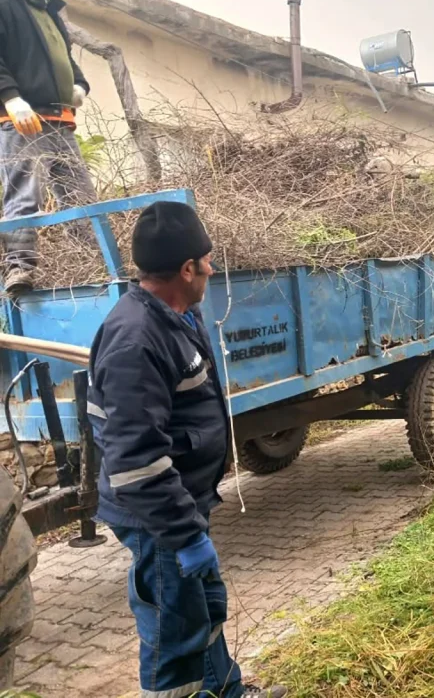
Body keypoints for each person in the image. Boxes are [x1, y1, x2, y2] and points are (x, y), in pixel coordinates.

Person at [87, 201, 286, 698]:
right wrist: (183, 534)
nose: (212, 270)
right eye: (207, 261)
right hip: (156, 518)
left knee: (203, 609)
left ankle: (226, 691)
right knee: (173, 637)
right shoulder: (135, 341)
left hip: (183, 503)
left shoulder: (178, 315)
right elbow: (135, 462)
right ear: (186, 269)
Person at [0, 0, 96, 293]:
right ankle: (20, 268)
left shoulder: (47, 10)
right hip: (22, 120)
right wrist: (10, 97)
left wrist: (80, 84)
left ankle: (92, 264)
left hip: (60, 119)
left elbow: (64, 58)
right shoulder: (3, 0)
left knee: (81, 197)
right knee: (25, 195)